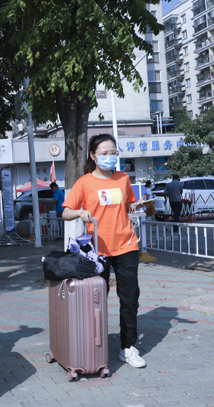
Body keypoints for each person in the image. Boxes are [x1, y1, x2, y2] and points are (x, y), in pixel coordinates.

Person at [62, 134, 146, 369]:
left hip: (126, 245)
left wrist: (135, 206)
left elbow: (127, 205)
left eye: (113, 153)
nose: (110, 157)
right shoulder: (84, 183)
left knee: (130, 297)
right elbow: (66, 212)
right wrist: (80, 213)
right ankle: (94, 346)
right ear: (93, 155)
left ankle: (128, 347)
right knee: (96, 299)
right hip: (98, 250)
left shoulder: (123, 178)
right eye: (104, 153)